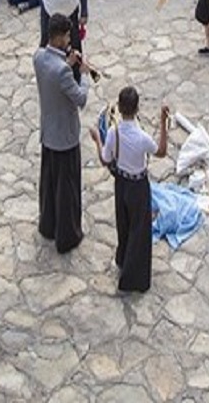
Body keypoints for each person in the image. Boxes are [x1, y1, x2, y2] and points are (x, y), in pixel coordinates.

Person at [87, 87, 169, 293]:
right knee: (139, 231)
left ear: (120, 108)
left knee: (123, 225)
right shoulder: (141, 137)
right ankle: (135, 277)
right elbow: (161, 151)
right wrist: (163, 123)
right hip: (139, 185)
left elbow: (105, 159)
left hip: (121, 183)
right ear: (137, 108)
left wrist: (98, 139)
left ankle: (122, 259)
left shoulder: (114, 133)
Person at [32, 13, 90, 254]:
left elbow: (54, 75)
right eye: (67, 35)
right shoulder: (63, 73)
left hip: (49, 132)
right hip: (65, 136)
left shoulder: (38, 58)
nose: (69, 39)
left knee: (49, 184)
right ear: (58, 37)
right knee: (67, 190)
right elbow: (81, 98)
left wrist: (68, 64)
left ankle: (48, 224)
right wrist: (84, 74)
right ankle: (68, 234)